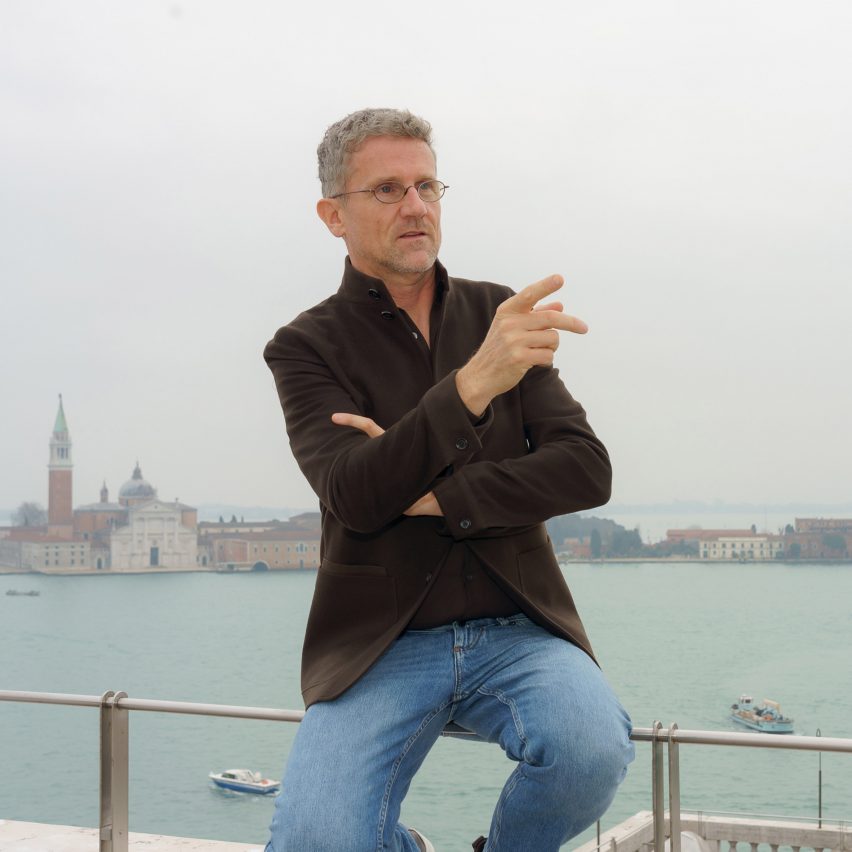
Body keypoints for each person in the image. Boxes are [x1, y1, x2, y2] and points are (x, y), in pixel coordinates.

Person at [263, 108, 634, 852]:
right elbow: (355, 495)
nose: (416, 206)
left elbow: (585, 468)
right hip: (379, 642)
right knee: (317, 839)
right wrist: (472, 387)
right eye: (388, 189)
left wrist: (440, 494)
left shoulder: (498, 313)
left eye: (427, 186)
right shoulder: (305, 346)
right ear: (333, 215)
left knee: (591, 750)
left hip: (519, 627)